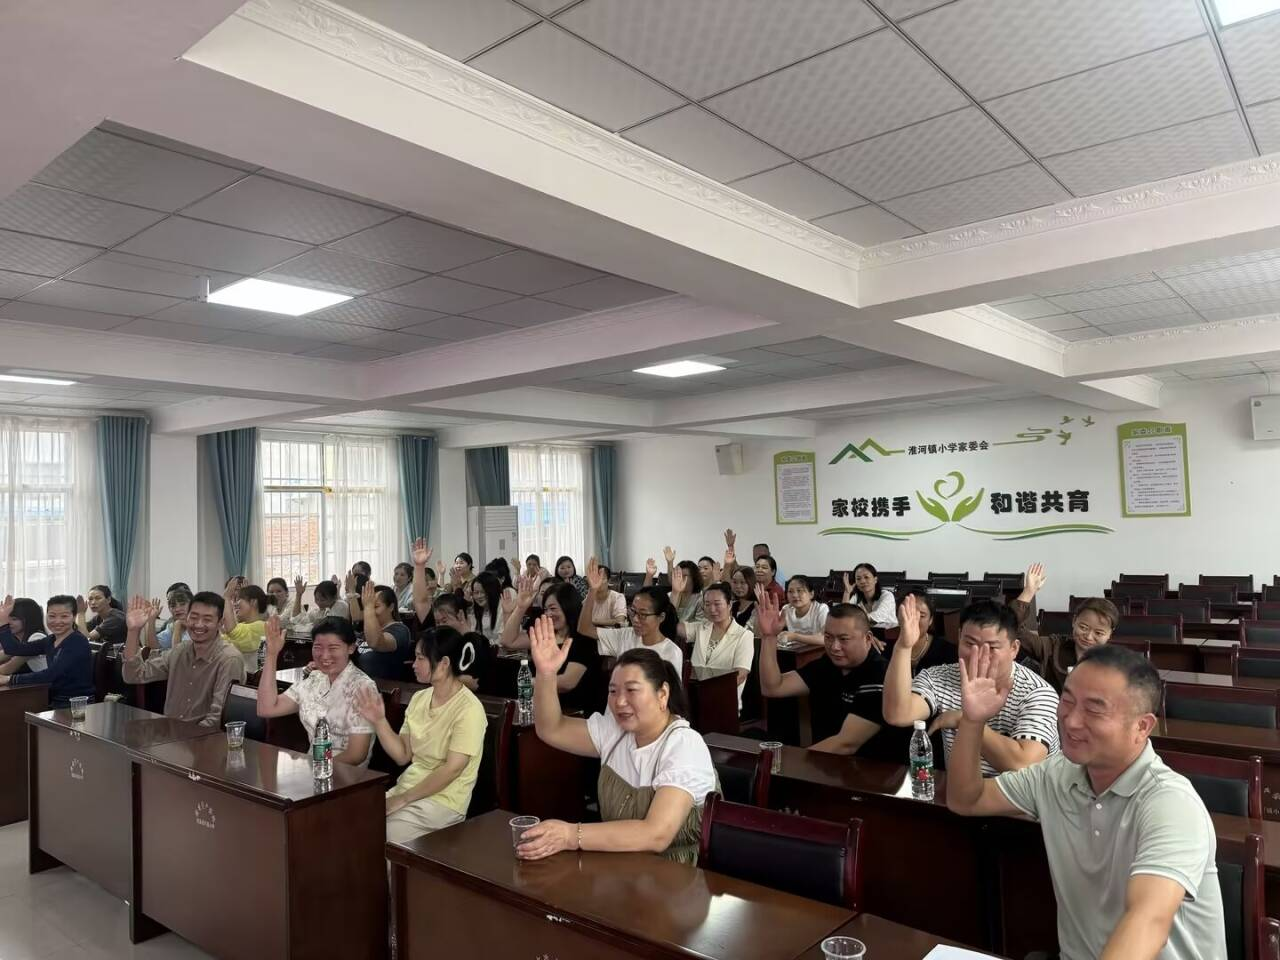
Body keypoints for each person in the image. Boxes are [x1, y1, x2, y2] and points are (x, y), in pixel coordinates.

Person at [947, 643, 1226, 960]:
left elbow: (1148, 921)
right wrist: (973, 721)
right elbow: (966, 800)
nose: (1071, 721)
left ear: (1142, 726)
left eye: (1094, 710)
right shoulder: (1054, 775)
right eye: (1067, 701)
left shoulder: (1171, 804)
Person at [516, 618, 717, 864]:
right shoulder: (615, 731)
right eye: (613, 691)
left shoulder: (684, 745)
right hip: (620, 867)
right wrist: (546, 674)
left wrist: (570, 835)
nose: (620, 702)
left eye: (631, 690)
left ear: (662, 694)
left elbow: (656, 835)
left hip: (676, 874)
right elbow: (551, 729)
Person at [883, 596, 1059, 776]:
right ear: (959, 637)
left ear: (1014, 648)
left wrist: (965, 721)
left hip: (1019, 794)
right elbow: (898, 713)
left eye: (992, 647)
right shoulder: (940, 677)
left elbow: (1023, 765)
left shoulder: (1037, 693)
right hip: (962, 790)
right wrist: (903, 646)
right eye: (970, 643)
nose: (978, 654)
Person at [354, 627, 488, 843]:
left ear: (444, 663)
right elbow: (402, 755)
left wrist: (402, 799)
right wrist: (379, 721)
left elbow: (452, 769)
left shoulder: (469, 709)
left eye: (420, 658)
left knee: (379, 834)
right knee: (351, 819)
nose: (414, 664)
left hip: (443, 802)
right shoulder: (419, 699)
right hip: (409, 790)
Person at [756, 587, 905, 759]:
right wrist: (769, 637)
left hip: (867, 769)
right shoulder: (827, 664)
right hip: (824, 763)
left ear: (868, 639)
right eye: (828, 637)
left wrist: (794, 762)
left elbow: (845, 744)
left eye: (844, 639)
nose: (834, 647)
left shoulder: (880, 674)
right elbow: (773, 687)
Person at [256, 615, 376, 766]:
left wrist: (316, 769)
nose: (324, 656)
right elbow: (266, 709)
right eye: (318, 647)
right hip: (311, 768)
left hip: (346, 773)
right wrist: (272, 654)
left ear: (351, 648)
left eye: (333, 648)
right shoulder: (315, 679)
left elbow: (356, 754)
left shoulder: (363, 687)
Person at [121, 592, 246, 726]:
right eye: (194, 617)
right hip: (171, 731)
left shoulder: (229, 659)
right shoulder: (180, 650)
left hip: (204, 736)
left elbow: (218, 718)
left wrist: (185, 736)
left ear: (220, 623)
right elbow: (134, 675)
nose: (198, 624)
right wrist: (133, 631)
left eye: (207, 620)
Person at [1011, 562, 1121, 694]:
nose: (1088, 636)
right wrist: (1029, 591)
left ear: (1110, 634)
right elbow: (1012, 629)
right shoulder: (1053, 647)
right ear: (1074, 621)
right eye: (1083, 627)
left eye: (1098, 633)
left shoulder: (1116, 662)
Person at [501, 577, 600, 711]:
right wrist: (520, 608)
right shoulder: (545, 633)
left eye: (553, 608)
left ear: (569, 607)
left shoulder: (584, 639)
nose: (548, 614)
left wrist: (530, 682)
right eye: (546, 609)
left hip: (574, 710)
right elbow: (508, 641)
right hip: (543, 704)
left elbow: (567, 682)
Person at [579, 560, 684, 675]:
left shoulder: (672, 652)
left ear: (661, 617)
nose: (635, 619)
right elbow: (584, 629)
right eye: (633, 611)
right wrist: (592, 590)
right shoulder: (624, 635)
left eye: (643, 615)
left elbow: (670, 687)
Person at [0, 595, 93, 707]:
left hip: (76, 703)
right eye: (52, 616)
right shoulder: (50, 640)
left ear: (73, 617)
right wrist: (3, 622)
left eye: (64, 616)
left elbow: (52, 674)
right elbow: (13, 649)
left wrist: (10, 679)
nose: (57, 621)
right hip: (54, 699)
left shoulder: (77, 641)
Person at [681, 580, 754, 711]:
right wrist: (676, 593)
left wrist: (709, 692)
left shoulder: (744, 635)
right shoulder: (701, 627)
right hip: (693, 699)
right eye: (707, 604)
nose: (712, 609)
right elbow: (672, 626)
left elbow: (741, 675)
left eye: (717, 604)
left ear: (729, 605)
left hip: (724, 702)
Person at [358, 582, 414, 682]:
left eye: (376, 606)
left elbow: (375, 643)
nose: (371, 611)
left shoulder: (400, 630)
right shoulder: (368, 630)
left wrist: (368, 607)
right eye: (369, 606)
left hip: (382, 687)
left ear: (391, 607)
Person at [893, 588, 952, 674]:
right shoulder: (884, 649)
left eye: (921, 616)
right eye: (908, 614)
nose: (914, 620)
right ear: (898, 617)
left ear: (931, 620)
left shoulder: (948, 652)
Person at [222, 582, 269, 673]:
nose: (235, 604)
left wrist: (227, 598)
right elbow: (223, 640)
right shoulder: (242, 625)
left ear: (253, 602)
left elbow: (233, 632)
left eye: (239, 599)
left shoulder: (262, 627)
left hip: (252, 679)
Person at [0, 598, 48, 676]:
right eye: (6, 618)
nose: (8, 623)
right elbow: (4, 654)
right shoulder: (18, 641)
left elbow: (7, 669)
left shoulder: (36, 637)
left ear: (29, 619)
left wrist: (2, 624)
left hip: (45, 683)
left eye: (14, 619)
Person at [841, 563, 897, 628]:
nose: (862, 581)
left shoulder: (887, 596)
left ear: (875, 580)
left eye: (866, 577)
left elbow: (879, 616)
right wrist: (847, 593)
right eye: (858, 579)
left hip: (889, 632)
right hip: (866, 632)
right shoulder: (856, 597)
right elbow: (844, 615)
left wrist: (860, 617)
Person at [779, 575, 829, 647]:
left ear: (811, 594)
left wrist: (795, 637)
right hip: (796, 651)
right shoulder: (787, 609)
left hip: (817, 652)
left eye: (799, 591)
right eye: (790, 591)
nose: (794, 595)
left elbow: (826, 639)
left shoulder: (821, 609)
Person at [468, 572, 504, 643]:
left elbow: (503, 639)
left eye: (483, 592)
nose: (479, 596)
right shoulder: (474, 610)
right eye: (476, 592)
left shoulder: (503, 609)